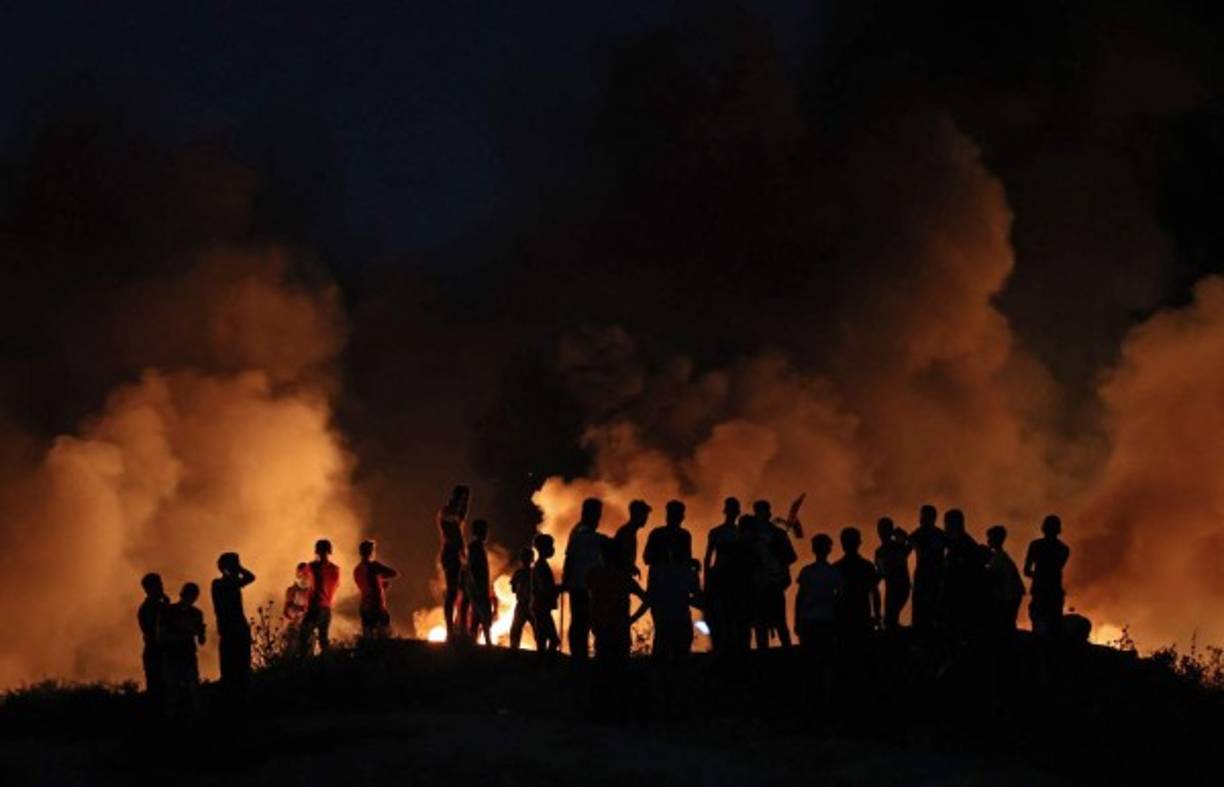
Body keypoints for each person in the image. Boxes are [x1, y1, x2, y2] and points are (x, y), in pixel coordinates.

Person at [746, 500, 798, 649]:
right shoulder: (751, 535)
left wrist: (778, 558)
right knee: (761, 624)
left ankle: (786, 656)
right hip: (758, 585)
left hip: (773, 583)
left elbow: (791, 557)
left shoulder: (778, 534)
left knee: (778, 623)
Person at [796, 534, 841, 700]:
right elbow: (839, 597)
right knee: (826, 659)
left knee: (811, 658)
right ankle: (825, 693)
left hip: (812, 620)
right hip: (825, 619)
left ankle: (811, 693)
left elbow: (800, 598)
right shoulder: (833, 572)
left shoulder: (808, 572)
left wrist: (797, 620)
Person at [588, 536, 648, 661]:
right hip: (618, 632)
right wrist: (632, 619)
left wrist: (591, 621)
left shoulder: (595, 575)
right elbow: (647, 600)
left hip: (604, 631)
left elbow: (590, 602)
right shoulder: (623, 577)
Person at [704, 497, 750, 653]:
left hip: (734, 580)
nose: (732, 512)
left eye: (734, 509)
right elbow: (708, 558)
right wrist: (707, 580)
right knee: (722, 616)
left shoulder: (738, 533)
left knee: (733, 617)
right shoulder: (718, 532)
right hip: (722, 579)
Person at [562, 497, 604, 658]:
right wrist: (568, 580)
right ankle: (579, 656)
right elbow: (570, 558)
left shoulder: (580, 531)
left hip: (582, 585)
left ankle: (579, 655)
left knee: (581, 622)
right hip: (582, 586)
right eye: (597, 514)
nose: (599, 519)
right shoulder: (582, 533)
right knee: (581, 622)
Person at [211, 552, 256, 695]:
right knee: (233, 667)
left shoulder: (226, 583)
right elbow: (250, 577)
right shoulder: (221, 584)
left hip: (234, 629)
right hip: (231, 629)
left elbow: (251, 577)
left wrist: (237, 568)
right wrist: (239, 569)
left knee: (240, 666)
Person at [943, 509, 988, 637]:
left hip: (962, 598)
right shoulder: (959, 543)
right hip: (957, 596)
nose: (945, 527)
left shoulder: (964, 545)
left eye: (946, 523)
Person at [1024, 514, 1071, 636]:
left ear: (1043, 528)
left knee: (1038, 630)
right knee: (1054, 631)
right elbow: (1056, 568)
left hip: (1040, 592)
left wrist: (1038, 577)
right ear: (1058, 530)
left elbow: (1027, 570)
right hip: (1055, 593)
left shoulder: (1035, 545)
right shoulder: (1064, 549)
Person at [163, 582, 206, 711]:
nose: (192, 598)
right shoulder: (170, 611)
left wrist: (200, 633)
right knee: (174, 690)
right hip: (173, 655)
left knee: (191, 689)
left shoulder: (197, 614)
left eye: (194, 596)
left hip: (188, 655)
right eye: (190, 595)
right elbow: (163, 635)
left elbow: (202, 640)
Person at [649, 557, 701, 660]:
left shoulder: (658, 570)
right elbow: (698, 596)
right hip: (679, 621)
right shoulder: (686, 571)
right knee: (680, 661)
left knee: (663, 661)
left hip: (666, 621)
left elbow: (651, 598)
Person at [438, 485, 470, 641]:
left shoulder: (456, 512)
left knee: (466, 593)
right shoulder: (445, 511)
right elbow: (455, 519)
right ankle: (450, 631)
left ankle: (461, 627)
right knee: (452, 593)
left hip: (458, 556)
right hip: (450, 555)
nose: (462, 502)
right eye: (461, 498)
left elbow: (461, 518)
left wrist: (466, 502)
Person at [909, 504, 946, 631]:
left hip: (931, 578)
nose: (921, 519)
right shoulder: (940, 535)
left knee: (927, 611)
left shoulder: (918, 535)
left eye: (923, 516)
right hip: (931, 577)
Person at [301, 539, 340, 655]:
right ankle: (326, 665)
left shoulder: (312, 566)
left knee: (304, 637)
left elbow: (303, 574)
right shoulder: (336, 569)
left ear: (317, 551)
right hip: (327, 608)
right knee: (323, 640)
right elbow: (336, 585)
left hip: (314, 607)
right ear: (330, 550)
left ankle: (306, 666)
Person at [355, 540, 398, 640]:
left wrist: (379, 582)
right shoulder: (373, 566)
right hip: (376, 606)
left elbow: (366, 585)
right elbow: (393, 573)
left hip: (364, 606)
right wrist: (380, 579)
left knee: (368, 636)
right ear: (371, 552)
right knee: (383, 636)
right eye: (373, 550)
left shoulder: (357, 569)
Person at [985, 525, 1025, 633]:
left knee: (1006, 624)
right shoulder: (1000, 557)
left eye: (990, 538)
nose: (988, 540)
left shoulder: (999, 559)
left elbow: (1004, 582)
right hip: (1012, 595)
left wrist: (1004, 600)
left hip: (1010, 597)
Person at [874, 517, 911, 632]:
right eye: (881, 529)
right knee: (890, 620)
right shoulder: (880, 551)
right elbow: (881, 571)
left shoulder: (898, 547)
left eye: (885, 529)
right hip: (891, 588)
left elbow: (909, 544)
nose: (882, 533)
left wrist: (901, 535)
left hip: (900, 587)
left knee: (890, 619)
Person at [138, 572, 169, 709]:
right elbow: (154, 631)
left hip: (161, 653)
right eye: (158, 584)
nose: (162, 587)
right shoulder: (148, 608)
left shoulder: (158, 606)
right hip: (156, 653)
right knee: (158, 693)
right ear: (150, 588)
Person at [531, 534, 561, 653]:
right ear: (543, 548)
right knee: (552, 639)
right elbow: (544, 588)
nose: (552, 549)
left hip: (540, 607)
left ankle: (542, 663)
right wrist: (558, 588)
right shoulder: (541, 566)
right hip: (541, 607)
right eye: (550, 546)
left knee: (543, 637)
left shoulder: (541, 565)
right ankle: (546, 665)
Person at [467, 520, 494, 645]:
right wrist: (477, 586)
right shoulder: (475, 547)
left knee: (477, 617)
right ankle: (487, 642)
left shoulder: (477, 547)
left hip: (479, 587)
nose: (487, 533)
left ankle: (473, 642)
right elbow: (472, 567)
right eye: (485, 530)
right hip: (478, 588)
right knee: (484, 615)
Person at [613, 500, 651, 577]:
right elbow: (620, 557)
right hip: (621, 577)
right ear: (638, 515)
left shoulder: (628, 531)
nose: (646, 518)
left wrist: (632, 567)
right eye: (645, 514)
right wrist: (629, 568)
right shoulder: (627, 533)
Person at [283, 562, 312, 654]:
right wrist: (299, 611)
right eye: (301, 573)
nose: (304, 576)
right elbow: (286, 611)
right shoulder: (291, 590)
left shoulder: (312, 591)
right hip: (294, 628)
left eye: (306, 573)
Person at [509, 547, 535, 650]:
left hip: (523, 604)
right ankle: (541, 649)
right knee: (537, 629)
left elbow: (513, 589)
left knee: (516, 628)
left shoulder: (518, 573)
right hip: (531, 604)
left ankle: (514, 649)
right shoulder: (534, 572)